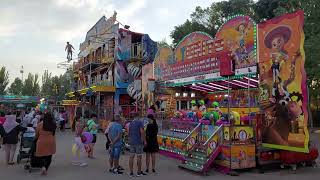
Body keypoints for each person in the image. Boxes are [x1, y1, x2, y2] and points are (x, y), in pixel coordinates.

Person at [128, 113, 147, 177]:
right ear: (138, 116)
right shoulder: (140, 122)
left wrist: (129, 140)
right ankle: (139, 172)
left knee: (131, 157)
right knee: (139, 157)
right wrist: (144, 141)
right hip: (138, 142)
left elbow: (129, 132)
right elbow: (142, 132)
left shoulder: (131, 123)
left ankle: (131, 172)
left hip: (132, 142)